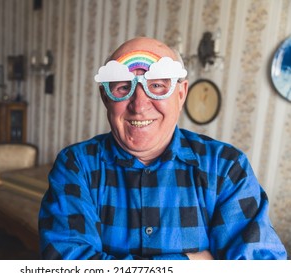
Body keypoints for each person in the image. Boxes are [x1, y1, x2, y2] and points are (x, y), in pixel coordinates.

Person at [38, 37, 287, 260]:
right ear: (106, 97)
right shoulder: (76, 165)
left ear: (181, 93)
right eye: (123, 87)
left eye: (156, 85)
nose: (139, 104)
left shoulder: (226, 167)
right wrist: (190, 264)